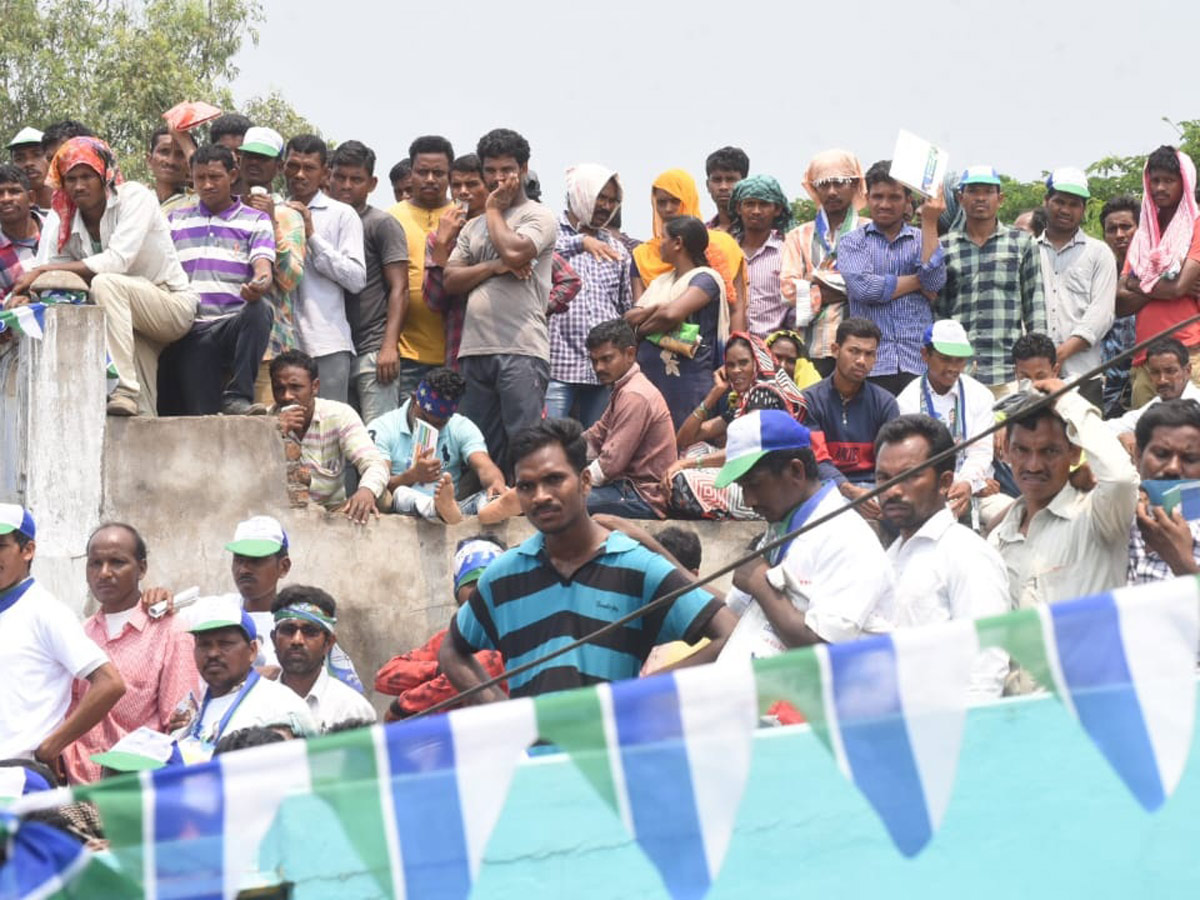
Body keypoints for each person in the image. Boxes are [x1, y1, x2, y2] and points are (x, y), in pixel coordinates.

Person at [439, 419, 736, 700]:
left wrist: (642, 693)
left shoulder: (635, 567)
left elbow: (731, 634)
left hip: (611, 752)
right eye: (526, 486)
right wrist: (499, 710)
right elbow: (452, 649)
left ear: (584, 482)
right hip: (537, 755)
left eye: (554, 480)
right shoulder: (504, 575)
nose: (540, 496)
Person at [8, 136, 198, 417]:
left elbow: (117, 261)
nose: (79, 186)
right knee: (138, 410)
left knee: (105, 282)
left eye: (87, 176)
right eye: (70, 178)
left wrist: (42, 271)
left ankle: (121, 387)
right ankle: (136, 426)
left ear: (105, 176)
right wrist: (25, 292)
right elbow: (54, 267)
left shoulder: (135, 197)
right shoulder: (65, 215)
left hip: (169, 303)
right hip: (127, 320)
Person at [715, 411, 894, 660]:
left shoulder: (847, 538)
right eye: (742, 488)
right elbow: (733, 613)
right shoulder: (783, 525)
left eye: (754, 484)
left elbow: (823, 648)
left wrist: (758, 581)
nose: (748, 500)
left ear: (796, 471)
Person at [444, 128, 558, 477]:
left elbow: (515, 250)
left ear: (523, 168)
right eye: (490, 171)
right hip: (474, 349)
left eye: (506, 170)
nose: (497, 178)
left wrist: (493, 209)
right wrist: (494, 266)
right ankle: (487, 508)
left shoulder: (538, 216)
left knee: (523, 442)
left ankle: (527, 513)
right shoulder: (471, 227)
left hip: (521, 348)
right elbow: (450, 280)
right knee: (477, 442)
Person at [875, 415, 1009, 700]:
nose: (893, 490)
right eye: (883, 478)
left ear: (945, 481)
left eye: (909, 476)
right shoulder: (888, 557)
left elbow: (986, 670)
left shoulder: (968, 555)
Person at [61, 523, 198, 783]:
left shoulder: (171, 631)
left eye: (117, 562)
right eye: (95, 563)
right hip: (78, 786)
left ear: (142, 568)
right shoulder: (79, 634)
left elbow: (181, 723)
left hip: (137, 787)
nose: (104, 573)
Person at [988, 380, 1139, 610]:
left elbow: (1120, 479)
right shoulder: (999, 537)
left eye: (1049, 451)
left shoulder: (1097, 516)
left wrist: (1068, 401)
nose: (1034, 465)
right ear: (1007, 451)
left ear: (1074, 453)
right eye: (1022, 450)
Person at [0, 505, 126, 768]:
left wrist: (50, 747)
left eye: (1, 545)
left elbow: (110, 683)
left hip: (17, 774)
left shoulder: (45, 612)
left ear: (28, 550)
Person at [159, 143, 275, 415]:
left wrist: (259, 284)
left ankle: (239, 395)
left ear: (233, 176)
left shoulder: (255, 220)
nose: (207, 185)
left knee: (260, 310)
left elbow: (263, 266)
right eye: (200, 178)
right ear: (192, 178)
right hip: (191, 327)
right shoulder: (174, 220)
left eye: (215, 177)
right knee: (204, 415)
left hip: (231, 324)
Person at [838, 160, 947, 395]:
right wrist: (917, 281)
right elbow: (866, 289)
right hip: (870, 364)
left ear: (908, 200)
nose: (884, 204)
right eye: (878, 197)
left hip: (917, 360)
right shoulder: (852, 241)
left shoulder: (923, 238)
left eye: (894, 197)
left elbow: (935, 282)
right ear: (867, 197)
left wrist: (930, 221)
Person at [938, 165, 1046, 393]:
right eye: (973, 191)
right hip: (959, 370)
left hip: (1007, 371)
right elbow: (939, 311)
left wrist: (1038, 362)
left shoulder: (1022, 243)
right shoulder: (945, 246)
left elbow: (1035, 307)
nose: (980, 198)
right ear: (960, 198)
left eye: (988, 192)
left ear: (1000, 199)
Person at [375, 535, 508, 720]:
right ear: (457, 591)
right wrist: (439, 669)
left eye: (487, 583)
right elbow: (385, 676)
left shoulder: (513, 635)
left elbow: (481, 668)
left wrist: (402, 706)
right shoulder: (447, 640)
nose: (479, 592)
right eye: (471, 584)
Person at [328, 140, 409, 425]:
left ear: (372, 183)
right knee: (337, 442)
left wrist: (389, 346)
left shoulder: (380, 224)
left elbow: (399, 288)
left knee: (378, 439)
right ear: (329, 175)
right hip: (333, 350)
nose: (346, 185)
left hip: (373, 350)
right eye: (340, 177)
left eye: (356, 179)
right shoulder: (321, 222)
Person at [176, 599, 315, 761]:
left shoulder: (281, 705)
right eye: (204, 645)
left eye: (225, 644)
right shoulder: (191, 707)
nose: (213, 653)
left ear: (252, 651)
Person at [546, 163, 632, 426]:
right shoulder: (548, 230)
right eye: (600, 198)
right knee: (547, 442)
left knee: (593, 448)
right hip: (557, 366)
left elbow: (624, 307)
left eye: (612, 200)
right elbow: (535, 251)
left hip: (601, 371)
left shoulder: (617, 249)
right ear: (581, 194)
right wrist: (581, 242)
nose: (606, 206)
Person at [283, 134, 366, 403]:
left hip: (326, 343)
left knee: (329, 430)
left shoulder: (342, 214)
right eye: (293, 165)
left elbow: (356, 279)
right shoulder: (272, 211)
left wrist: (312, 236)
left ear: (325, 174)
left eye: (309, 168)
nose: (299, 174)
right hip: (281, 344)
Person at [627, 215, 730, 430]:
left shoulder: (706, 279)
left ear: (678, 243)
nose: (658, 244)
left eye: (663, 238)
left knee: (686, 446)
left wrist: (641, 330)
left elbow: (671, 315)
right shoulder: (660, 282)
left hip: (690, 385)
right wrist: (657, 310)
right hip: (655, 381)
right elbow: (628, 318)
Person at [369, 367, 505, 523]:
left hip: (453, 511)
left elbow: (484, 466)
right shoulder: (383, 427)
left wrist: (496, 482)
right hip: (403, 511)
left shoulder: (461, 426)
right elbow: (377, 484)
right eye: (425, 419)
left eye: (440, 423)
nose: (432, 428)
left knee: (488, 496)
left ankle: (493, 505)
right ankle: (435, 508)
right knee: (402, 493)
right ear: (414, 400)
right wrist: (412, 476)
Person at [1121, 146, 1200, 408]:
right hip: (1144, 359)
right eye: (1155, 180)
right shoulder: (1144, 233)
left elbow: (1178, 288)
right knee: (1142, 442)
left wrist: (1137, 282)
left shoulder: (1196, 226)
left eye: (1169, 180)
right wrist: (1144, 285)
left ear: (1185, 182)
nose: (1160, 188)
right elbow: (1120, 302)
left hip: (1189, 355)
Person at [270, 349, 389, 522]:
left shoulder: (339, 415)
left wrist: (366, 491)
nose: (287, 396)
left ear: (315, 387)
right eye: (279, 389)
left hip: (332, 513)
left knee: (382, 496)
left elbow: (375, 463)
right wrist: (276, 431)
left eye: (296, 387)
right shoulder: (266, 422)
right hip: (282, 513)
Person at [780, 150, 868, 378]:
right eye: (823, 184)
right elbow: (788, 293)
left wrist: (812, 283)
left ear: (855, 184)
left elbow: (872, 287)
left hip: (860, 350)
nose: (831, 191)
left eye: (839, 183)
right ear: (814, 188)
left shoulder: (870, 231)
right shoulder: (798, 236)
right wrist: (848, 289)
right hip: (811, 348)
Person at [896, 321, 996, 521]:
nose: (953, 368)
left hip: (975, 487)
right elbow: (914, 460)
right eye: (945, 359)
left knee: (1004, 511)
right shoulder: (907, 401)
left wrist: (968, 483)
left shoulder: (980, 395)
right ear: (925, 355)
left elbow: (981, 451)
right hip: (927, 492)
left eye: (960, 360)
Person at [238, 126, 307, 406]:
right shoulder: (226, 210)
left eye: (263, 158)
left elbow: (291, 279)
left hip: (270, 350)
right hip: (227, 344)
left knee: (267, 437)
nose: (254, 162)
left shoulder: (289, 215)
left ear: (278, 167)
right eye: (249, 156)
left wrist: (270, 222)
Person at [581, 318, 676, 518]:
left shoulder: (634, 395)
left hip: (642, 497)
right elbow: (595, 437)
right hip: (627, 489)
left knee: (559, 502)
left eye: (606, 359)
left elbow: (609, 465)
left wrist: (569, 484)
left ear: (630, 354)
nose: (598, 367)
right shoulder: (624, 389)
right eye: (594, 361)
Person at [801, 317, 900, 508]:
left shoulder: (885, 403)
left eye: (869, 354)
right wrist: (848, 490)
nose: (861, 361)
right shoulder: (810, 401)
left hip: (874, 489)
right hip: (824, 489)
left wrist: (877, 494)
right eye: (853, 351)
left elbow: (891, 462)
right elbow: (816, 459)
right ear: (835, 350)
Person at [631, 169, 746, 332]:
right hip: (655, 348)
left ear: (689, 199)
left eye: (675, 201)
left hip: (707, 349)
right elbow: (638, 312)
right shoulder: (643, 255)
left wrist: (736, 347)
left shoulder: (723, 245)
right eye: (661, 202)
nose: (668, 209)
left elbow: (736, 309)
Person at [1036, 168, 1116, 400]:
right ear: (1046, 201)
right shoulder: (1028, 250)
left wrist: (1060, 354)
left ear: (1083, 209)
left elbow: (1102, 313)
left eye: (1074, 204)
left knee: (1083, 436)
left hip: (1083, 375)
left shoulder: (1099, 253)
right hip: (1035, 374)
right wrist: (1040, 359)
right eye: (1059, 201)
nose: (1065, 210)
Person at [389, 135, 455, 396]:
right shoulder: (391, 218)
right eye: (422, 172)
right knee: (410, 430)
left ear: (449, 175)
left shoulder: (464, 217)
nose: (430, 179)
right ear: (412, 173)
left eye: (438, 173)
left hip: (454, 352)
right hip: (405, 353)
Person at [270, 586, 376, 732]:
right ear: (273, 639)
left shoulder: (351, 709)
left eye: (310, 631)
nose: (297, 640)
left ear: (328, 643)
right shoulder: (256, 705)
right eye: (288, 630)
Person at [422, 153, 488, 368]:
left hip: (508, 346)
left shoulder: (507, 229)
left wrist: (541, 307)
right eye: (456, 185)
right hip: (460, 347)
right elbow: (435, 301)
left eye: (471, 184)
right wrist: (442, 244)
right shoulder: (440, 236)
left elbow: (566, 278)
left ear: (488, 186)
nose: (463, 192)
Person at [1128, 399, 1200, 582]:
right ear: (1137, 455)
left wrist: (1182, 563)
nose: (1173, 468)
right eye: (1161, 454)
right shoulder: (1108, 517)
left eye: (1190, 458)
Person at [1108, 337, 1200, 454]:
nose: (1162, 380)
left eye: (1170, 371)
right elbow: (1110, 427)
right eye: (1155, 373)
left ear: (1187, 371)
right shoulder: (1157, 405)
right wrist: (1122, 435)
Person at [728, 175, 792, 337]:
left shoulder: (787, 252)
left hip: (772, 349)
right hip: (729, 350)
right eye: (749, 204)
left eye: (763, 204)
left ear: (777, 209)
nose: (756, 211)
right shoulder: (726, 251)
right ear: (738, 208)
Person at [1099, 195, 1141, 416]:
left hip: (1148, 375)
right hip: (1108, 383)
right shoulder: (1098, 274)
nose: (1119, 235)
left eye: (1126, 227)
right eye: (1111, 229)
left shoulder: (1159, 270)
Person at [0, 165, 39, 303]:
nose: (6, 199)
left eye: (14, 191)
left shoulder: (58, 228)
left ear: (31, 198)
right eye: (0, 193)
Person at [145, 125, 191, 215]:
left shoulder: (198, 203)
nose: (171, 161)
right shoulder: (137, 201)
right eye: (164, 151)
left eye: (180, 154)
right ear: (149, 160)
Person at [703, 146, 749, 233]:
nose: (723, 187)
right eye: (717, 180)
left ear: (745, 184)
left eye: (731, 180)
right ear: (708, 185)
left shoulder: (757, 232)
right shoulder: (703, 234)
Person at [8, 126, 51, 214]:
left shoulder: (74, 206)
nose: (28, 163)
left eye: (37, 155)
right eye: (19, 158)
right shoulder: (9, 216)